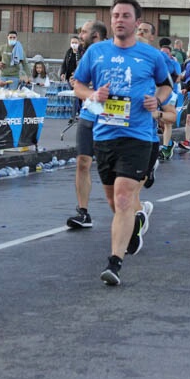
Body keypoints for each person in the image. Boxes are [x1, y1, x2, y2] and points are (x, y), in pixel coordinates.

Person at [73, 0, 172, 286]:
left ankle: (114, 263)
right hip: (105, 134)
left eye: (125, 15)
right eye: (115, 15)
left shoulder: (150, 56)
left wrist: (158, 100)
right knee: (112, 200)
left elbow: (166, 85)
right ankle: (135, 221)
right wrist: (91, 95)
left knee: (124, 196)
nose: (119, 19)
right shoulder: (96, 52)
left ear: (136, 22)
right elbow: (77, 84)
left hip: (138, 135)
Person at [66, 20, 106, 230]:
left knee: (112, 168)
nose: (79, 36)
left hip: (112, 117)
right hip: (89, 113)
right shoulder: (85, 54)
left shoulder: (111, 52)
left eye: (83, 32)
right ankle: (83, 212)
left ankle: (132, 208)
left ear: (96, 35)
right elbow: (79, 86)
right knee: (83, 161)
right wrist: (81, 85)